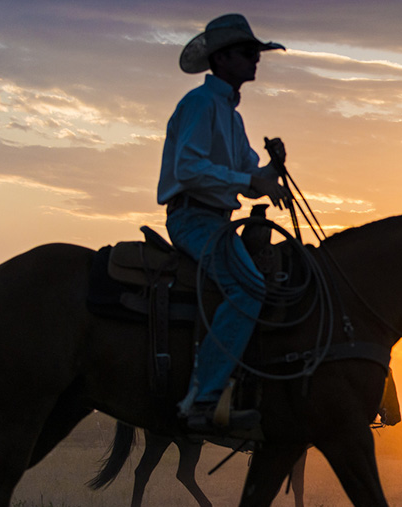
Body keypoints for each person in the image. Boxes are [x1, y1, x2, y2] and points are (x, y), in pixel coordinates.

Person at [158, 14, 292, 432]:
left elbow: (250, 178)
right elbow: (189, 168)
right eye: (248, 53)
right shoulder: (199, 105)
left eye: (256, 53)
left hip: (215, 219)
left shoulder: (231, 117)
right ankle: (205, 399)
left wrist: (271, 172)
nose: (256, 60)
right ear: (222, 58)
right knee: (248, 287)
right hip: (194, 218)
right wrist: (250, 178)